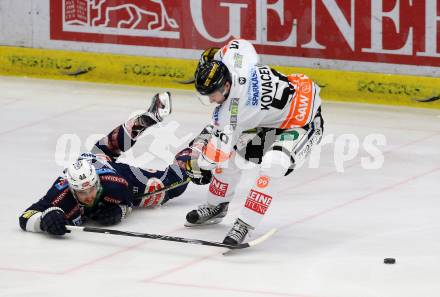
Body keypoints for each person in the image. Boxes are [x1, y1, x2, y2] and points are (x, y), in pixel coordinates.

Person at [184, 39, 324, 245]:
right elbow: (240, 44)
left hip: (304, 124)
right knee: (231, 155)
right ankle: (216, 205)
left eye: (211, 95)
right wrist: (214, 59)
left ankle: (245, 224)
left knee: (274, 164)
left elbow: (214, 157)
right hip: (275, 118)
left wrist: (197, 166)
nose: (211, 101)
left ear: (226, 86)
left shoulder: (232, 114)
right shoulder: (235, 61)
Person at [19, 92, 193, 236]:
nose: (88, 196)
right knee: (110, 146)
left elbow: (129, 201)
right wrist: (43, 221)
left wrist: (120, 211)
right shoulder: (61, 193)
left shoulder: (115, 184)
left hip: (111, 168)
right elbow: (26, 217)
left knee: (174, 185)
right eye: (81, 192)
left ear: (97, 182)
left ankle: (198, 148)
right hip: (93, 159)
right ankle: (141, 121)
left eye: (91, 189)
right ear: (72, 189)